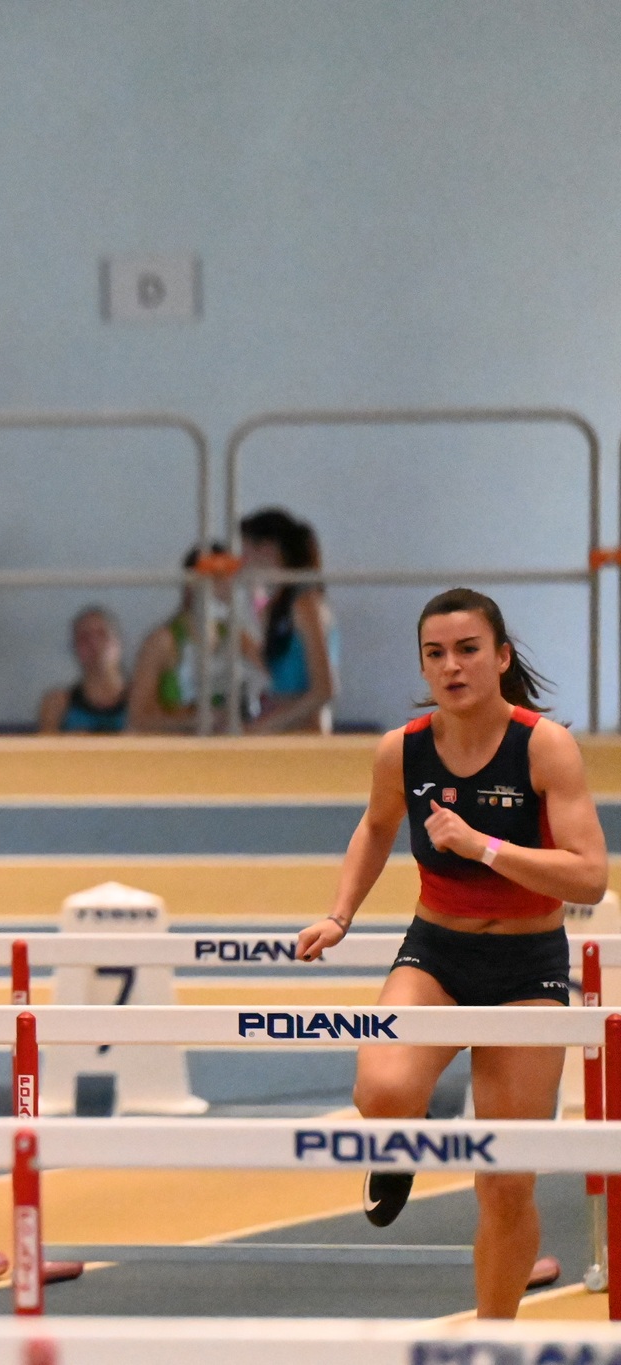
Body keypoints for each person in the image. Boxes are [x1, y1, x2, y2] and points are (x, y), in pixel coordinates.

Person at [296, 588, 605, 1319]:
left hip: (527, 968)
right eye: (435, 654)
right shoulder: (402, 749)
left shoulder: (544, 746)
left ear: (501, 658)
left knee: (506, 1181)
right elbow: (377, 827)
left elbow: (590, 875)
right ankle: (395, 1148)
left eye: (468, 650)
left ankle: (493, 1336)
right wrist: (340, 913)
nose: (452, 666)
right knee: (382, 1093)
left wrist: (483, 846)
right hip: (436, 953)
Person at [240, 508, 338, 734]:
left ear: (267, 549)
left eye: (245, 552)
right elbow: (275, 671)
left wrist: (260, 728)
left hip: (305, 734)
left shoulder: (305, 605)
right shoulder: (277, 608)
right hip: (280, 731)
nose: (242, 562)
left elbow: (324, 689)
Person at [129, 544, 235, 734]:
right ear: (191, 584)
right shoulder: (162, 642)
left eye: (229, 580)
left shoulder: (234, 637)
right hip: (175, 748)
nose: (226, 588)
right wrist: (191, 720)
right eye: (218, 579)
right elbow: (138, 718)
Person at [36, 606, 127, 734]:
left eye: (102, 634)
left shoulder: (143, 701)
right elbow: (45, 745)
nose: (94, 643)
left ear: (118, 643)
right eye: (84, 638)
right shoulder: (57, 705)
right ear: (75, 648)